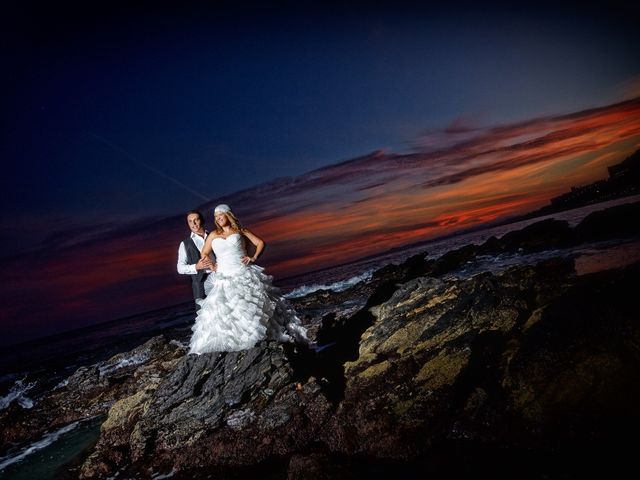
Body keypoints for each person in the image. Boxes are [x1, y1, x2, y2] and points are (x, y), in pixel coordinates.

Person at [188, 204, 309, 354]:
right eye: (215, 217)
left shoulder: (240, 231)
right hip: (224, 276)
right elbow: (204, 253)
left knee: (252, 306)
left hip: (243, 272)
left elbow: (260, 243)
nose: (218, 219)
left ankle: (262, 339)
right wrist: (211, 266)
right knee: (225, 310)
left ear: (228, 215)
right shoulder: (213, 235)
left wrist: (253, 257)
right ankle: (234, 344)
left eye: (221, 215)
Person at [177, 210, 216, 303]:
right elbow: (180, 268)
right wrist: (196, 266)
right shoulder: (184, 244)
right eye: (190, 221)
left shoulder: (214, 235)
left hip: (219, 277)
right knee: (206, 315)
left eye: (196, 220)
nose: (193, 223)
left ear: (201, 220)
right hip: (200, 284)